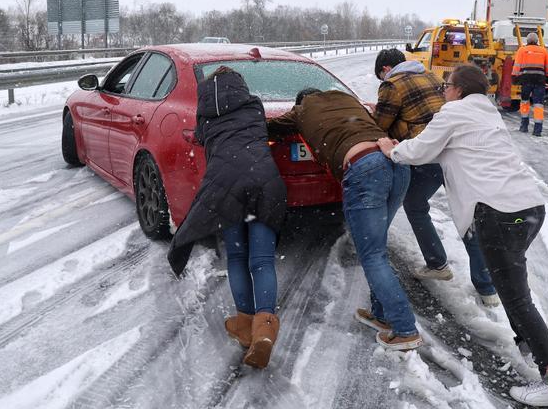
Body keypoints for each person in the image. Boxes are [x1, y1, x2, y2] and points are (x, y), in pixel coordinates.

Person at [377, 64, 548, 406]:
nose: (443, 91)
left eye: (446, 85)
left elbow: (419, 151)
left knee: (517, 297)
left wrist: (391, 148)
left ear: (458, 89)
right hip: (528, 209)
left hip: (499, 213)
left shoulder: (453, 113)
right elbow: (440, 151)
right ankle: (527, 344)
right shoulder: (487, 114)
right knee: (514, 287)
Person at [267, 88, 421, 351]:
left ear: (300, 101)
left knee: (372, 254)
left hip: (365, 168)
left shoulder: (301, 111)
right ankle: (381, 314)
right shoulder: (348, 99)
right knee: (377, 248)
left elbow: (269, 128)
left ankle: (405, 329)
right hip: (397, 163)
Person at [166, 66, 287, 369]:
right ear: (241, 87)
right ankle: (265, 330)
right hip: (265, 182)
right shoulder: (254, 106)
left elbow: (199, 138)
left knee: (236, 257)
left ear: (206, 95)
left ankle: (246, 324)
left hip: (224, 185)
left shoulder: (205, 118)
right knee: (262, 260)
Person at [373, 49, 499, 307]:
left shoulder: (392, 85)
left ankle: (437, 262)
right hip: (453, 151)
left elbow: (380, 123)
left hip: (427, 153)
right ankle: (486, 287)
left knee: (415, 205)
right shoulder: (430, 76)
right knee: (467, 214)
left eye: (380, 75)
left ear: (386, 69)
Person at [512, 32, 548, 137]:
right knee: (538, 105)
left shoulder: (522, 50)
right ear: (537, 41)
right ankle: (537, 130)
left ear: (527, 40)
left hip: (526, 81)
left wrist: (514, 77)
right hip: (539, 81)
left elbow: (517, 66)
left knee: (525, 102)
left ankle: (524, 126)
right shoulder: (543, 51)